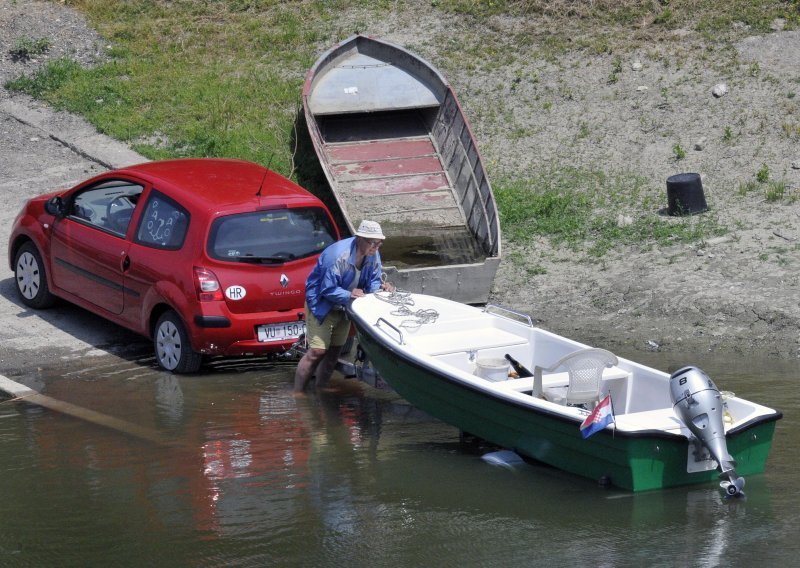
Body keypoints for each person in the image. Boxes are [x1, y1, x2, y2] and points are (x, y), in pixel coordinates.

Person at [293, 220, 392, 395]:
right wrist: (350, 294)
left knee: (335, 350)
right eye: (372, 242)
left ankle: (321, 386)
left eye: (379, 243)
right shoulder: (338, 255)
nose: (376, 247)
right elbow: (327, 289)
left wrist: (381, 289)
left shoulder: (373, 254)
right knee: (317, 350)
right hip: (322, 303)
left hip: (345, 307)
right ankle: (298, 391)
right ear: (359, 238)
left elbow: (373, 282)